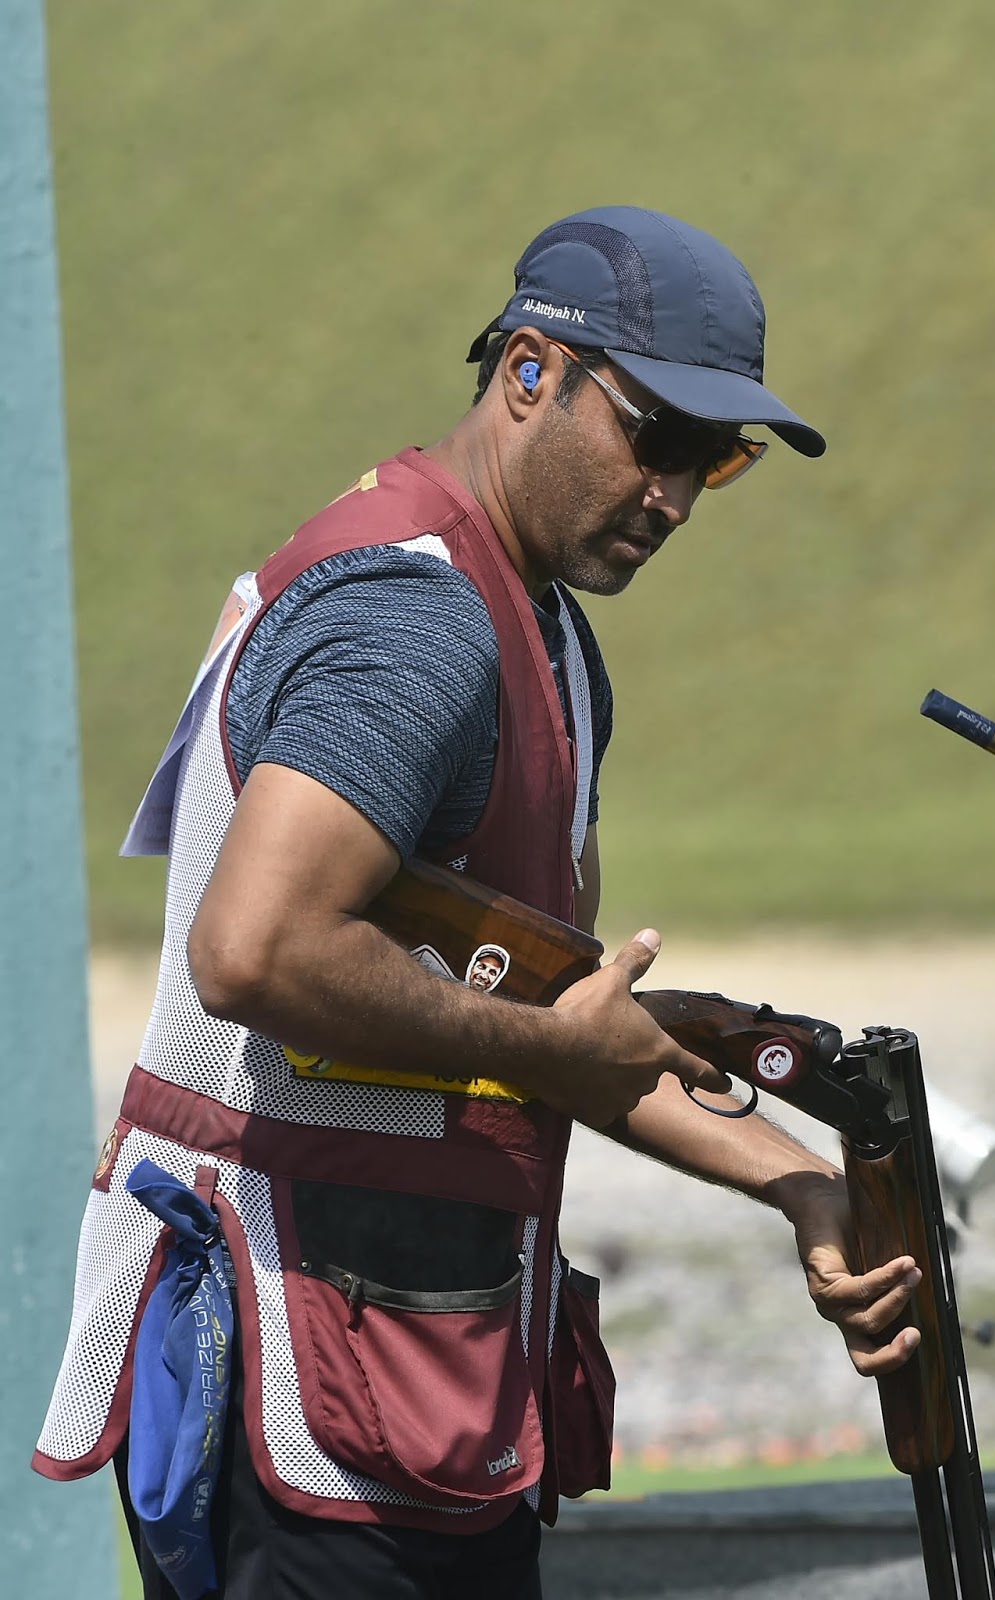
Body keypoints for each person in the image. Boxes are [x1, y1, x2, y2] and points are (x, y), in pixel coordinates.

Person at [34, 206, 921, 1599]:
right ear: (526, 372)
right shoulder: (417, 618)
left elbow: (545, 1017)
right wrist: (561, 1046)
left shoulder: (546, 630)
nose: (678, 496)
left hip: (392, 1373)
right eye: (657, 437)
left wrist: (799, 1184)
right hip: (301, 1385)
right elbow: (256, 952)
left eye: (718, 460)